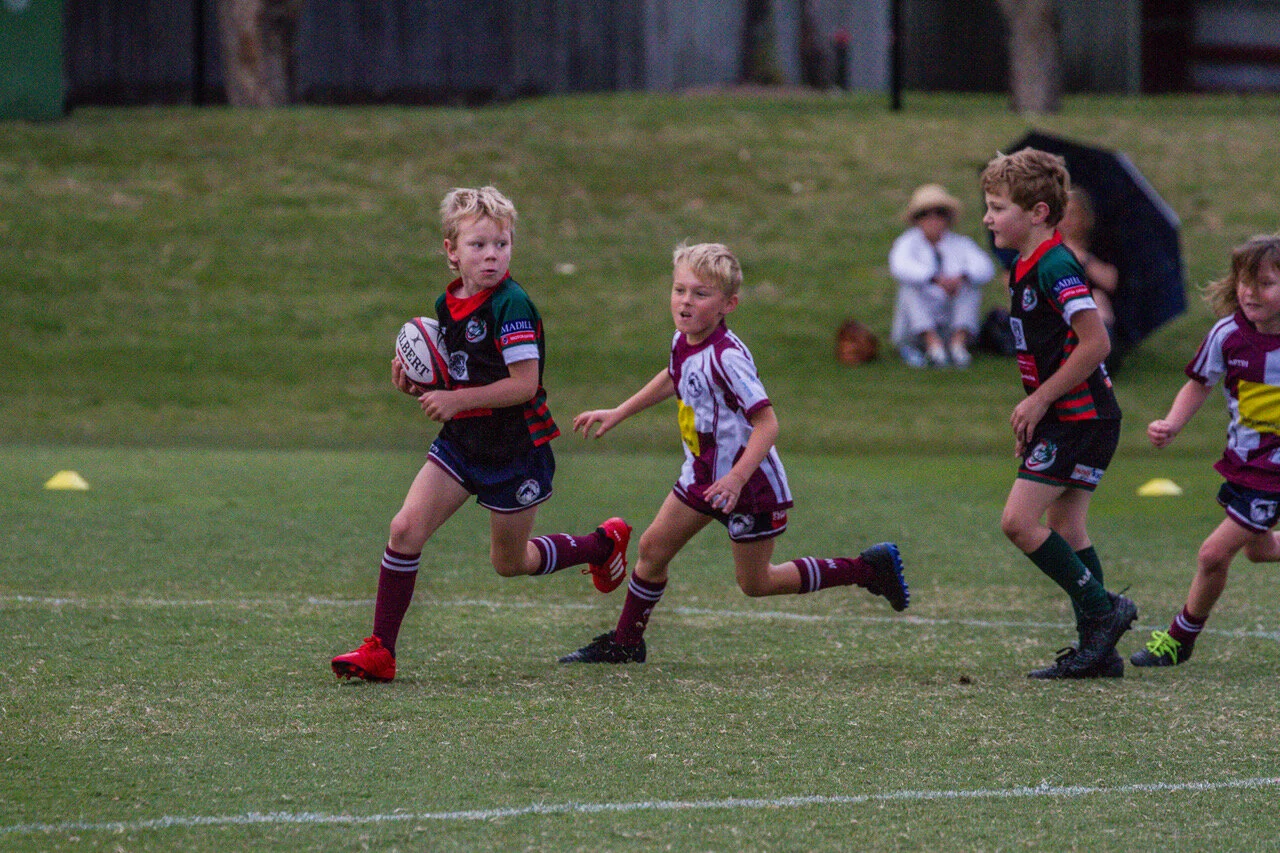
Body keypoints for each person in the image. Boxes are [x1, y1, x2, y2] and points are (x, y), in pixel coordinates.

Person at [331, 186, 631, 682]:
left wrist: (453, 399)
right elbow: (457, 376)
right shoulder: (445, 307)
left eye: (502, 244)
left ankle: (601, 545)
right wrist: (416, 382)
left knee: (510, 563)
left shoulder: (511, 305)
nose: (492, 255)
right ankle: (381, 650)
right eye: (479, 245)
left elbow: (523, 385)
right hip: (462, 444)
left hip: (517, 451)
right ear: (452, 251)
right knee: (405, 529)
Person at [558, 241, 910, 664]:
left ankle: (867, 570)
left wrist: (737, 478)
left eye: (700, 294)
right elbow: (674, 375)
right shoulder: (683, 339)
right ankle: (626, 643)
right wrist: (620, 411)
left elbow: (768, 424)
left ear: (729, 303)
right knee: (652, 549)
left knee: (756, 583)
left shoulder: (728, 358)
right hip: (704, 474)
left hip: (749, 484)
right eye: (679, 290)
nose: (686, 301)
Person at [979, 149, 1138, 679]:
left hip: (1081, 416)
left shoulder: (1055, 264)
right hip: (1072, 418)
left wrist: (1041, 399)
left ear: (1039, 213)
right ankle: (1099, 653)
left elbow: (1095, 343)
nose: (987, 218)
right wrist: (1035, 410)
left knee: (1018, 523)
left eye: (998, 207)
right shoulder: (1025, 266)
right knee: (1065, 524)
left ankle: (1102, 611)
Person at [1133, 234, 1280, 668]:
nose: (1250, 292)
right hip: (1245, 465)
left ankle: (1180, 638)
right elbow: (1200, 382)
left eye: (1266, 283)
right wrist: (1172, 423)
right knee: (1260, 549)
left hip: (1273, 472)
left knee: (1213, 554)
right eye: (1244, 282)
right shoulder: (1227, 334)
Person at [889, 183, 996, 368]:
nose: (933, 220)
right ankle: (932, 344)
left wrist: (961, 278)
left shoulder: (961, 244)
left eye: (939, 213)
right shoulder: (907, 243)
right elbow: (899, 266)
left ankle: (958, 344)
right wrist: (934, 279)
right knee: (910, 288)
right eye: (925, 214)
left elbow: (985, 268)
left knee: (971, 285)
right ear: (917, 219)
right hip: (914, 329)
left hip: (949, 321)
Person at [1058, 188, 1120, 333]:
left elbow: (1110, 282)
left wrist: (1081, 256)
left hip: (1093, 310)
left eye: (1073, 214)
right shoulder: (1048, 247)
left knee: (1097, 299)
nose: (1067, 220)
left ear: (1084, 217)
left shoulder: (1099, 245)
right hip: (1060, 310)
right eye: (1062, 214)